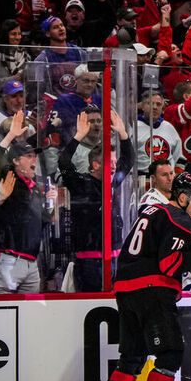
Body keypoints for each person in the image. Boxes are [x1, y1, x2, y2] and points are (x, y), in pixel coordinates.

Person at [98, 170, 191, 381]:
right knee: (171, 352)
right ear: (183, 196)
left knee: (132, 356)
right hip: (152, 288)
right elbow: (170, 264)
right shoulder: (180, 218)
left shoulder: (152, 210)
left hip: (126, 288)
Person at [58, 110, 134, 292]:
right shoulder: (81, 184)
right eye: (110, 162)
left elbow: (128, 161)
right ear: (95, 165)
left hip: (114, 256)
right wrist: (78, 136)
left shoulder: (113, 183)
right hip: (89, 260)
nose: (115, 166)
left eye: (115, 161)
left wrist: (123, 135)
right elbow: (64, 163)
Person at [0, 142, 57, 294]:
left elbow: (42, 223)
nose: (34, 160)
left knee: (29, 314)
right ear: (15, 161)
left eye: (35, 156)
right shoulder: (7, 180)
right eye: (29, 156)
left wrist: (50, 206)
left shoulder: (34, 189)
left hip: (31, 262)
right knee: (3, 312)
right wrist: (0, 199)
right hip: (10, 258)